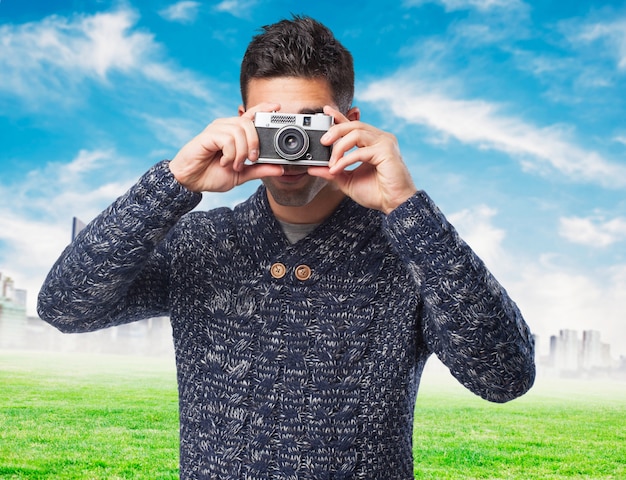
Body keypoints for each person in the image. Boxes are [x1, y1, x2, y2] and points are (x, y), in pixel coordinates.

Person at [38, 15, 535, 480]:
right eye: (274, 126)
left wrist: (404, 206)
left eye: (308, 125)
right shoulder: (201, 242)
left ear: (349, 122)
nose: (292, 145)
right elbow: (64, 307)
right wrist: (175, 182)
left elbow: (505, 377)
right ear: (241, 121)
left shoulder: (410, 251)